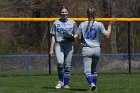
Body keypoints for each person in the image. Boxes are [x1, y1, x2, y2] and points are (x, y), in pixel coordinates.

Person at [74, 7, 115, 91]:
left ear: (87, 14)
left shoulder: (82, 24)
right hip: (96, 49)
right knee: (94, 70)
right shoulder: (99, 24)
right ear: (95, 14)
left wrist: (76, 38)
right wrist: (110, 25)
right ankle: (94, 88)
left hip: (87, 49)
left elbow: (76, 37)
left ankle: (92, 84)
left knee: (87, 71)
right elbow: (107, 35)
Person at [49, 6, 77, 89]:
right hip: (59, 45)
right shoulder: (55, 23)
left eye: (65, 12)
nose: (64, 14)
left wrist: (72, 37)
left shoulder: (73, 22)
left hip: (69, 45)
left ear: (67, 13)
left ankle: (66, 84)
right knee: (60, 62)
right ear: (60, 13)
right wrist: (51, 49)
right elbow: (53, 37)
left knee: (67, 65)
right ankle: (60, 81)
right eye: (62, 12)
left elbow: (76, 34)